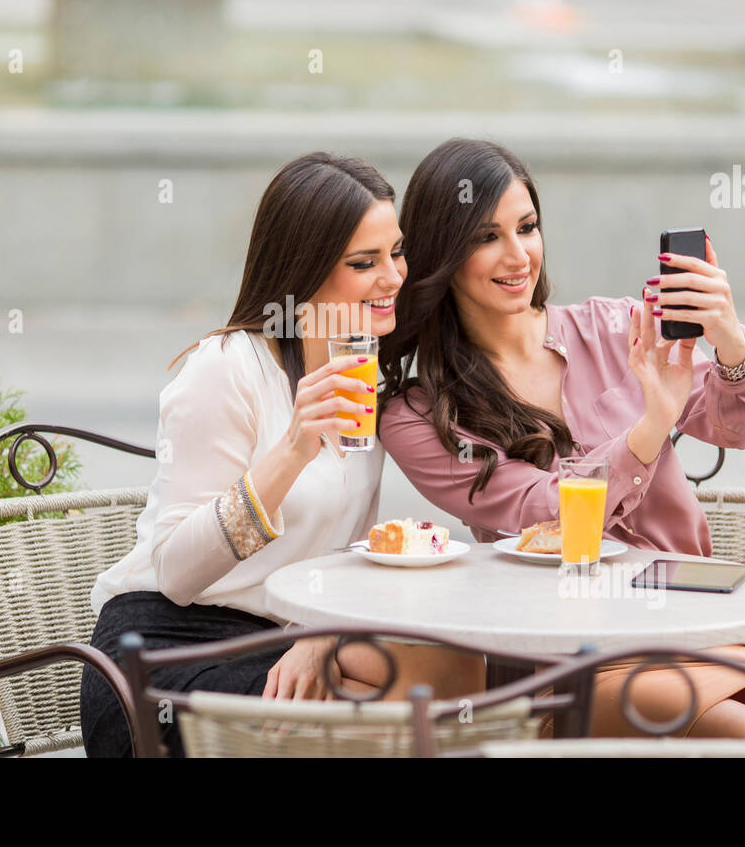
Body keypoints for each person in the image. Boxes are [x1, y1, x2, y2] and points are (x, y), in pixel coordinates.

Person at [378, 138, 745, 741]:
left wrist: (730, 340)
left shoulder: (617, 326)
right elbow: (548, 514)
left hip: (705, 632)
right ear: (444, 253)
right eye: (487, 237)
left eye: (528, 227)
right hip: (585, 667)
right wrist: (650, 427)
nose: (518, 256)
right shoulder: (420, 415)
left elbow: (738, 426)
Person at [80, 152, 484, 758]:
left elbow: (346, 545)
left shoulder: (365, 372)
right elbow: (178, 575)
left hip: (286, 635)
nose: (393, 276)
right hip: (165, 652)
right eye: (363, 262)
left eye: (395, 252)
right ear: (306, 269)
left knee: (459, 675)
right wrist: (295, 448)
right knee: (376, 728)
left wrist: (318, 634)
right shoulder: (226, 370)